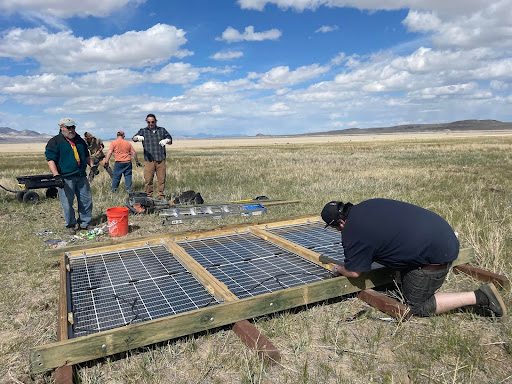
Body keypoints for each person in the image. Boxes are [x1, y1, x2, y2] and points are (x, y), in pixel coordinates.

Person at [321, 198, 507, 317]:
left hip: (436, 256)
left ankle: (480, 296)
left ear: (341, 222)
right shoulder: (367, 205)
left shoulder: (352, 230)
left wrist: (338, 268)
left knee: (417, 306)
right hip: (443, 235)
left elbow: (355, 272)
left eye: (336, 228)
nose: (338, 231)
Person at [45, 118, 94, 235]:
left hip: (81, 175)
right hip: (65, 177)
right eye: (68, 127)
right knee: (67, 202)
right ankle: (71, 225)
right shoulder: (55, 142)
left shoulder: (79, 141)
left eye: (73, 127)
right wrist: (56, 175)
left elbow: (86, 155)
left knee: (86, 200)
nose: (71, 130)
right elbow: (50, 159)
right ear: (61, 127)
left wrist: (92, 166)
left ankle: (85, 222)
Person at [132, 114, 172, 199]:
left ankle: (160, 196)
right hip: (149, 160)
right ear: (146, 122)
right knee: (148, 180)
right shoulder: (143, 131)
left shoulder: (162, 130)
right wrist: (137, 137)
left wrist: (167, 140)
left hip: (160, 159)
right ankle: (148, 196)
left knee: (161, 179)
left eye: (152, 122)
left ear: (155, 121)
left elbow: (170, 139)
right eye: (148, 122)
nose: (151, 124)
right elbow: (134, 138)